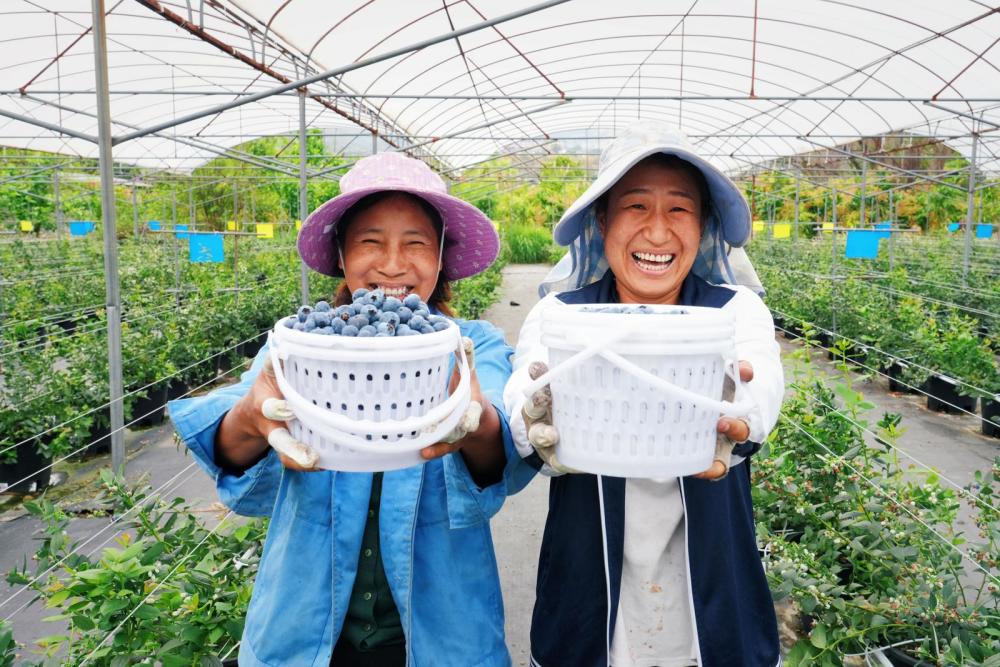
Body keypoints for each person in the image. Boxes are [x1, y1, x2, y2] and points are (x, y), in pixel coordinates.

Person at [169, 152, 524, 667]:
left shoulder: (472, 347)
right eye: (370, 242)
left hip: (444, 637)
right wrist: (253, 418)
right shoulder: (303, 344)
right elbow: (233, 431)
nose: (393, 265)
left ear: (441, 257)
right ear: (340, 253)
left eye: (416, 244)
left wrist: (475, 421)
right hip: (305, 635)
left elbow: (501, 448)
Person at [503, 122, 784, 667]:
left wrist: (743, 416)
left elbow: (760, 383)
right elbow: (524, 392)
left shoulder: (734, 311)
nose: (657, 232)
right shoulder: (560, 315)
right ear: (602, 220)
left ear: (702, 225)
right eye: (636, 206)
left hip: (708, 587)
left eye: (679, 209)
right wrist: (531, 421)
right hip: (587, 590)